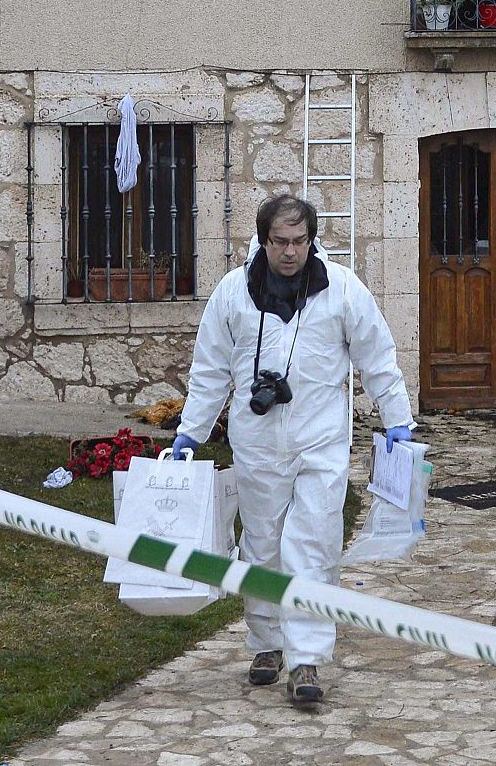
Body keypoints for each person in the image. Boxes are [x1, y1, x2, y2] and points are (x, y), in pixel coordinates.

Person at [171, 192, 414, 706]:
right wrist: (190, 434)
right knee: (262, 543)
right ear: (263, 240)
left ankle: (306, 658)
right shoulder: (232, 295)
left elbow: (377, 356)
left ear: (312, 240)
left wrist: (397, 420)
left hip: (321, 440)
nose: (289, 252)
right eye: (280, 242)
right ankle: (266, 644)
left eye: (299, 241)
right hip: (257, 442)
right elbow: (210, 371)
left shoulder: (342, 289)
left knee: (314, 543)